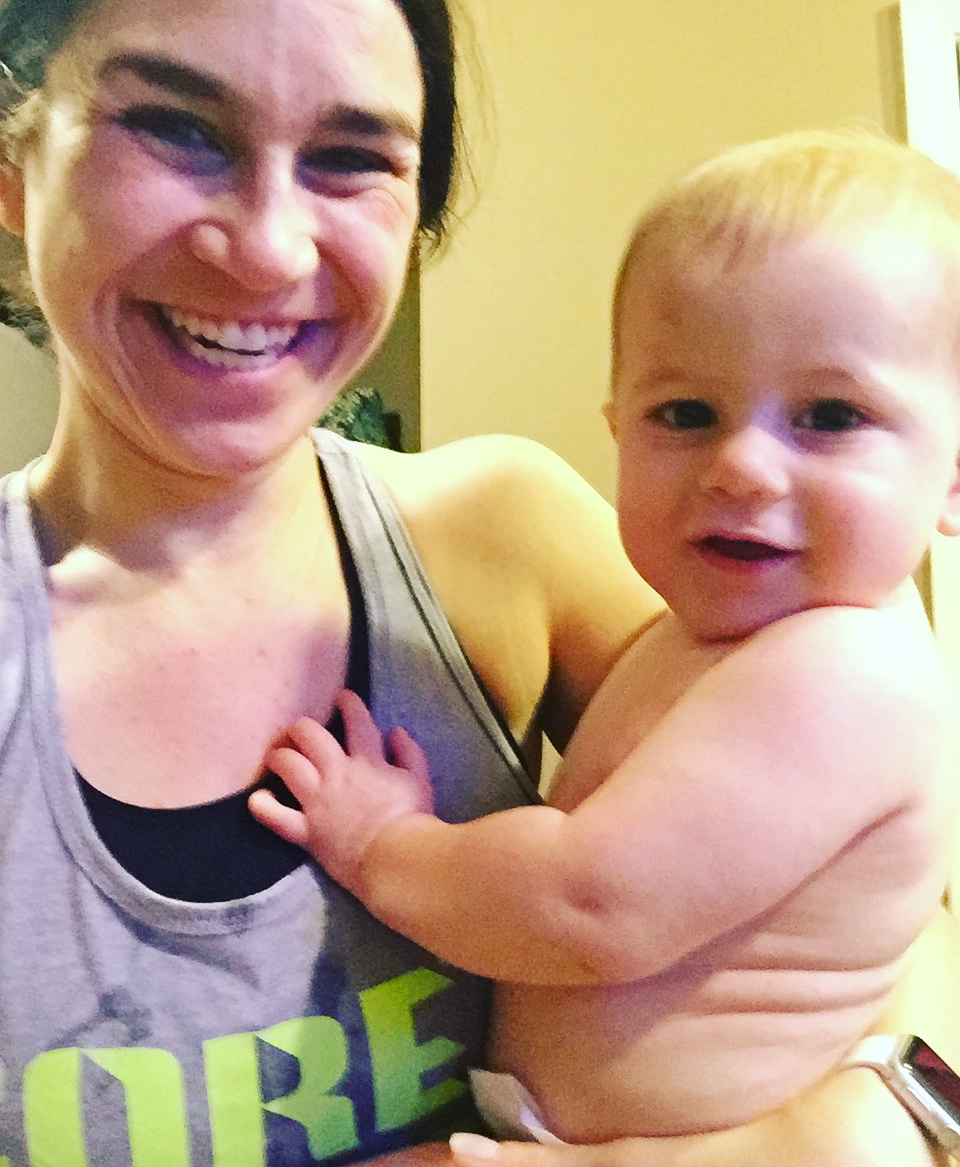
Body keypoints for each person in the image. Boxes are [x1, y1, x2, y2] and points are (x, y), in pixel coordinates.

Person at [0, 0, 956, 1161]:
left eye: (350, 157)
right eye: (176, 127)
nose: (267, 247)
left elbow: (860, 912)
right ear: (14, 167)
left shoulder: (511, 536)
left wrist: (880, 1122)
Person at [251, 129, 960, 1150]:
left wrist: (384, 847)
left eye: (831, 415)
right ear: (618, 427)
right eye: (686, 412)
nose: (742, 466)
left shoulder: (845, 670)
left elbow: (589, 906)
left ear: (953, 476)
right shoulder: (723, 635)